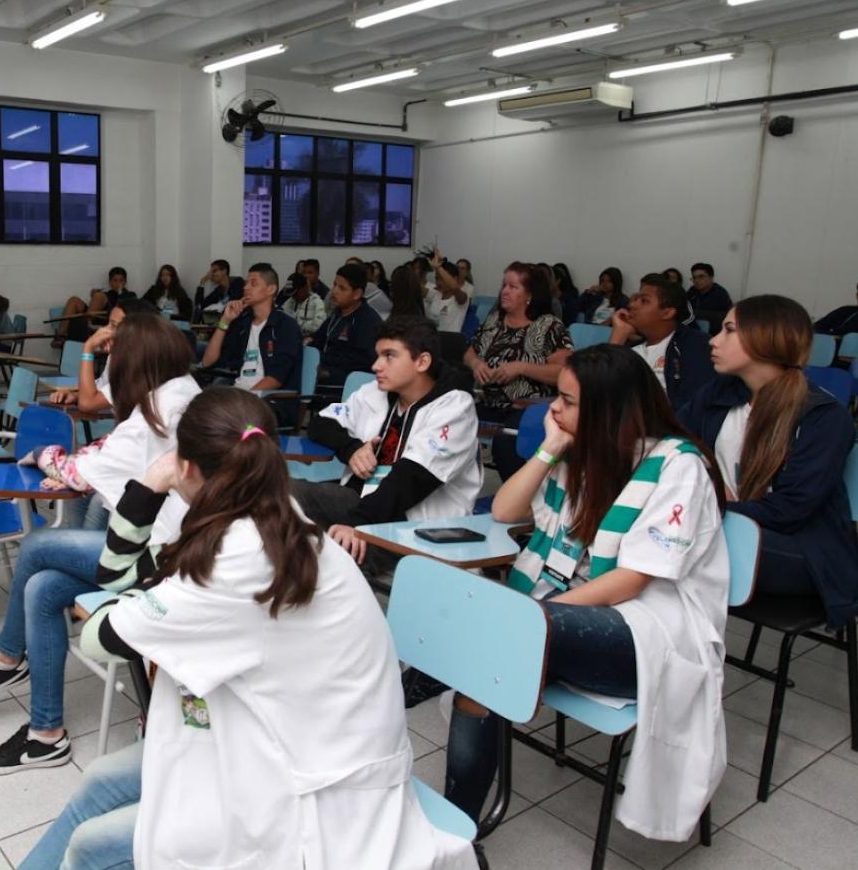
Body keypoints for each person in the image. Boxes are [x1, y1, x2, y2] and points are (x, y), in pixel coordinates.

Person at [37, 387, 475, 869]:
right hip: (276, 736)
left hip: (315, 794)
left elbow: (101, 637)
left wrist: (149, 490)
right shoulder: (277, 519)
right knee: (102, 779)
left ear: (185, 466)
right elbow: (117, 580)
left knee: (92, 846)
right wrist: (148, 510)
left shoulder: (238, 556)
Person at [405, 344, 730, 844]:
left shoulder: (677, 466)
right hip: (572, 618)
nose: (553, 409)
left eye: (568, 401)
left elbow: (631, 581)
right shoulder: (582, 451)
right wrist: (548, 449)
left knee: (491, 634)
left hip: (646, 633)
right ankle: (458, 826)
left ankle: (388, 713)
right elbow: (505, 510)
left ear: (611, 409)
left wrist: (531, 615)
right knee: (484, 655)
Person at [0, 314, 201, 774]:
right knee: (42, 588)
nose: (111, 373)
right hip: (156, 547)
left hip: (164, 560)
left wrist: (44, 456)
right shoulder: (177, 394)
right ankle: (45, 736)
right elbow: (109, 451)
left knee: (38, 547)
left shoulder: (157, 414)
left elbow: (81, 472)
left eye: (114, 362)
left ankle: (5, 658)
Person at [680, 295, 858, 628]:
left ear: (766, 339)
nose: (714, 340)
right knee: (663, 534)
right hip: (728, 526)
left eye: (729, 330)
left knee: (670, 541)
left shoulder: (823, 417)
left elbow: (789, 511)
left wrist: (708, 504)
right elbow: (671, 445)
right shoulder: (719, 393)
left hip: (802, 552)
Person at [294, 317, 482, 571]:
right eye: (377, 355)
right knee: (280, 493)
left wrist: (356, 524)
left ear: (422, 362)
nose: (376, 365)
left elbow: (411, 478)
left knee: (319, 554)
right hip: (362, 501)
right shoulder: (377, 391)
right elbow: (321, 423)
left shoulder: (455, 407)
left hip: (410, 526)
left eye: (389, 356)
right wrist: (352, 449)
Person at [466, 262, 572, 479]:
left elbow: (564, 373)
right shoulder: (494, 320)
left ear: (529, 295)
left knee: (506, 442)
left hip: (529, 408)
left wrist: (522, 368)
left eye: (513, 287)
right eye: (504, 285)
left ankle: (515, 501)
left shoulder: (549, 327)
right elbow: (469, 352)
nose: (505, 291)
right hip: (490, 403)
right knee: (451, 423)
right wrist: (476, 364)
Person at [201, 263, 303, 425]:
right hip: (240, 394)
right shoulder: (243, 323)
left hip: (271, 401)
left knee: (224, 422)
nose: (246, 288)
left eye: (253, 283)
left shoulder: (285, 326)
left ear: (271, 289)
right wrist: (225, 321)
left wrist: (243, 400)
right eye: (246, 283)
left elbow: (275, 379)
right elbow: (208, 361)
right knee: (200, 410)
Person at [607, 273, 714, 410]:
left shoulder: (695, 345)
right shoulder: (630, 349)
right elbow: (599, 390)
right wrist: (618, 334)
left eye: (644, 301)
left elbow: (694, 406)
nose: (631, 305)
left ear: (667, 313)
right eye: (634, 299)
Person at [47, 298, 151, 412]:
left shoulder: (141, 366)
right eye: (109, 324)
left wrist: (88, 347)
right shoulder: (117, 355)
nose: (105, 330)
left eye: (114, 326)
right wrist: (75, 396)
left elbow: (87, 404)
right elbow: (102, 387)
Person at [308, 263, 383, 394]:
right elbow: (317, 341)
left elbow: (364, 361)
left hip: (350, 384)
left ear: (357, 294)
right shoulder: (337, 315)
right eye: (334, 285)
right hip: (326, 373)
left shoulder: (367, 320)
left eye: (342, 288)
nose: (334, 291)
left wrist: (326, 367)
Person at [56, 267, 135, 345]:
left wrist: (120, 292)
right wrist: (93, 297)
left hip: (106, 318)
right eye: (115, 280)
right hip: (93, 316)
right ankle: (60, 335)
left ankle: (86, 328)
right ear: (110, 282)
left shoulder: (130, 295)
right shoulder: (107, 293)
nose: (118, 283)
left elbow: (125, 310)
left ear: (125, 282)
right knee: (74, 300)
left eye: (121, 280)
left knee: (98, 296)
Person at [426, 250, 470, 334]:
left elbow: (454, 286)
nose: (439, 282)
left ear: (455, 278)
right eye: (437, 278)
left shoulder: (462, 297)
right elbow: (416, 285)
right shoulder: (436, 294)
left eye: (442, 279)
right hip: (433, 339)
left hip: (450, 342)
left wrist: (438, 267)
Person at [282, 260, 329, 336]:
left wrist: (296, 322)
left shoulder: (317, 302)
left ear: (304, 288)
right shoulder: (290, 301)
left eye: (295, 293)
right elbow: (282, 320)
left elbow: (319, 326)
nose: (293, 296)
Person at [192, 259, 244, 324]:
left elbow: (233, 303)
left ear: (224, 271)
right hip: (221, 324)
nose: (211, 274)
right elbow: (200, 306)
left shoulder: (237, 282)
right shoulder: (218, 290)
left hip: (235, 323)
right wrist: (202, 283)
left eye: (214, 271)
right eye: (210, 272)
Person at [687, 263, 733, 335]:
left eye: (701, 277)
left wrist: (696, 313)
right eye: (694, 277)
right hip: (693, 331)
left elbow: (725, 317)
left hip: (713, 334)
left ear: (711, 278)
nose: (696, 280)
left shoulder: (720, 294)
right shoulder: (692, 291)